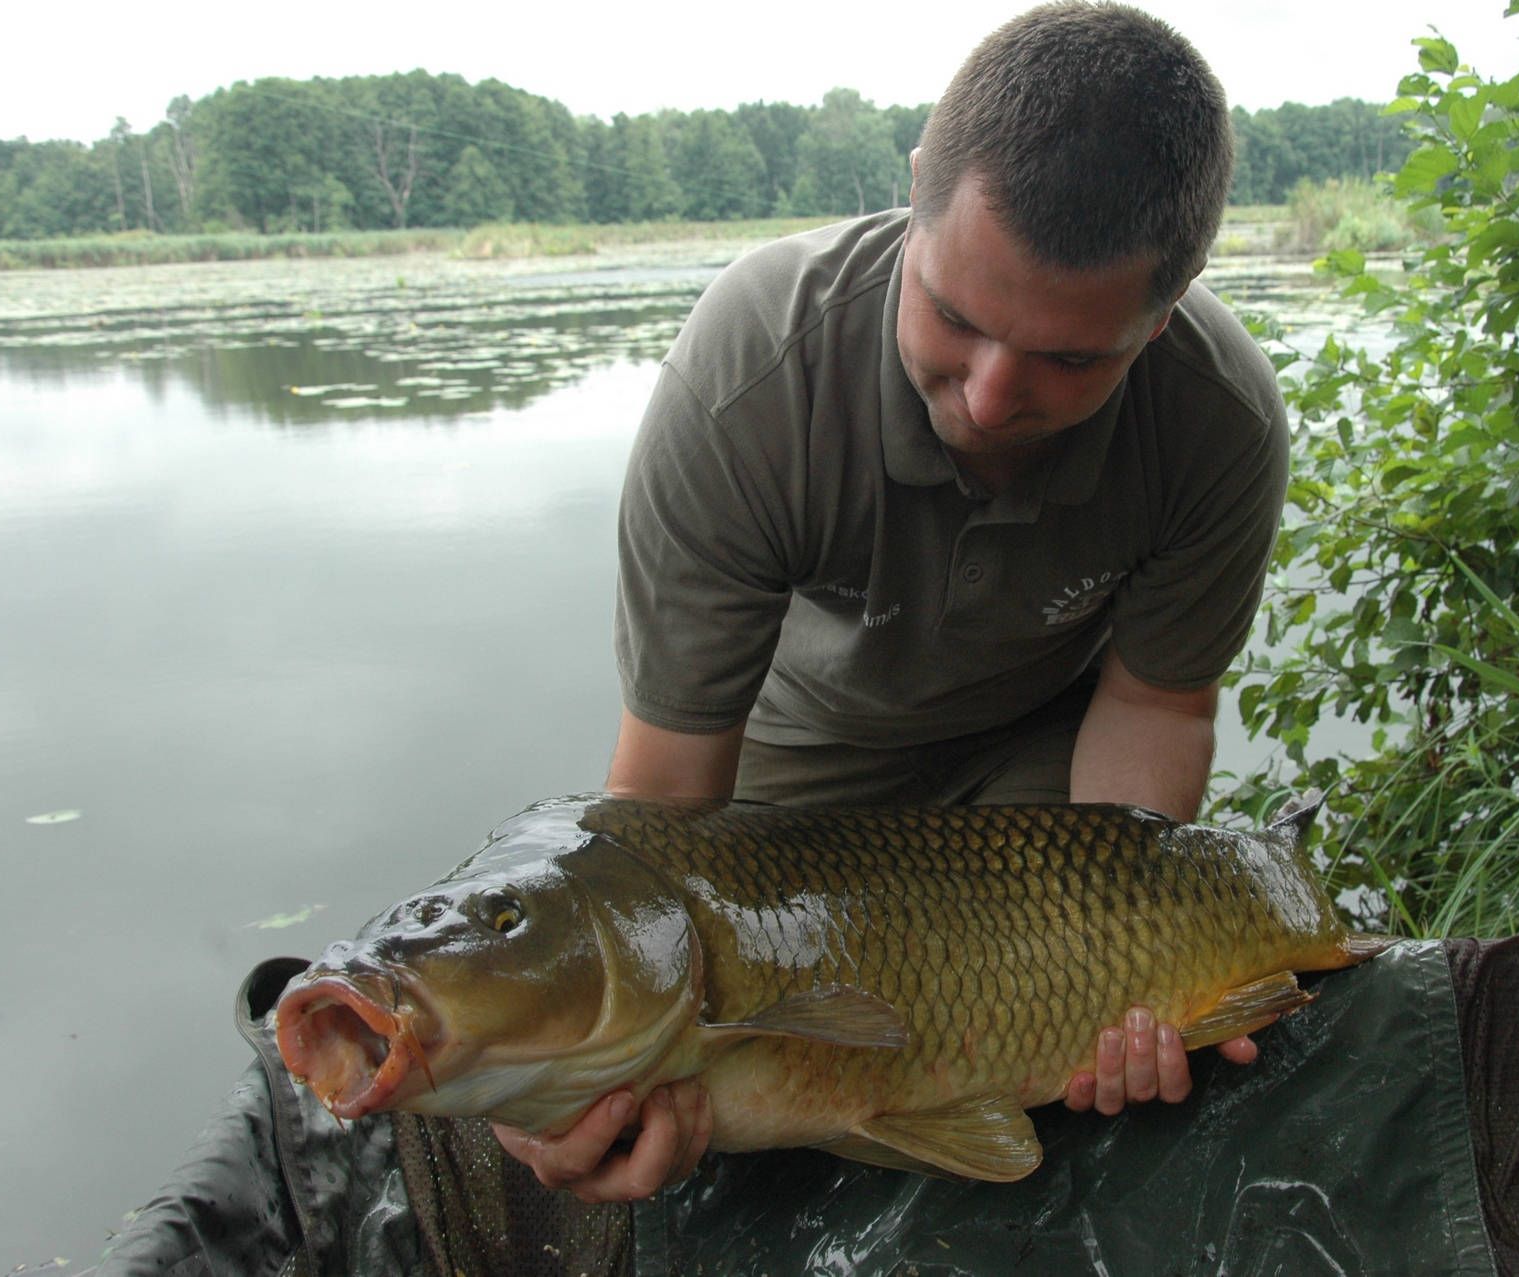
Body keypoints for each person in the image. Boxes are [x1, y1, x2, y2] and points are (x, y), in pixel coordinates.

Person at [494, 0, 1289, 1202]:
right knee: (701, 1045)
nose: (988, 395)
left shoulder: (1217, 420)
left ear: (1161, 314)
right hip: (798, 762)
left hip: (1039, 760)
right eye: (956, 318)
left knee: (1080, 1075)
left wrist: (1135, 971)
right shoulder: (751, 371)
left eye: (1071, 359)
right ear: (918, 188)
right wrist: (591, 1082)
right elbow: (663, 800)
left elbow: (1158, 711)